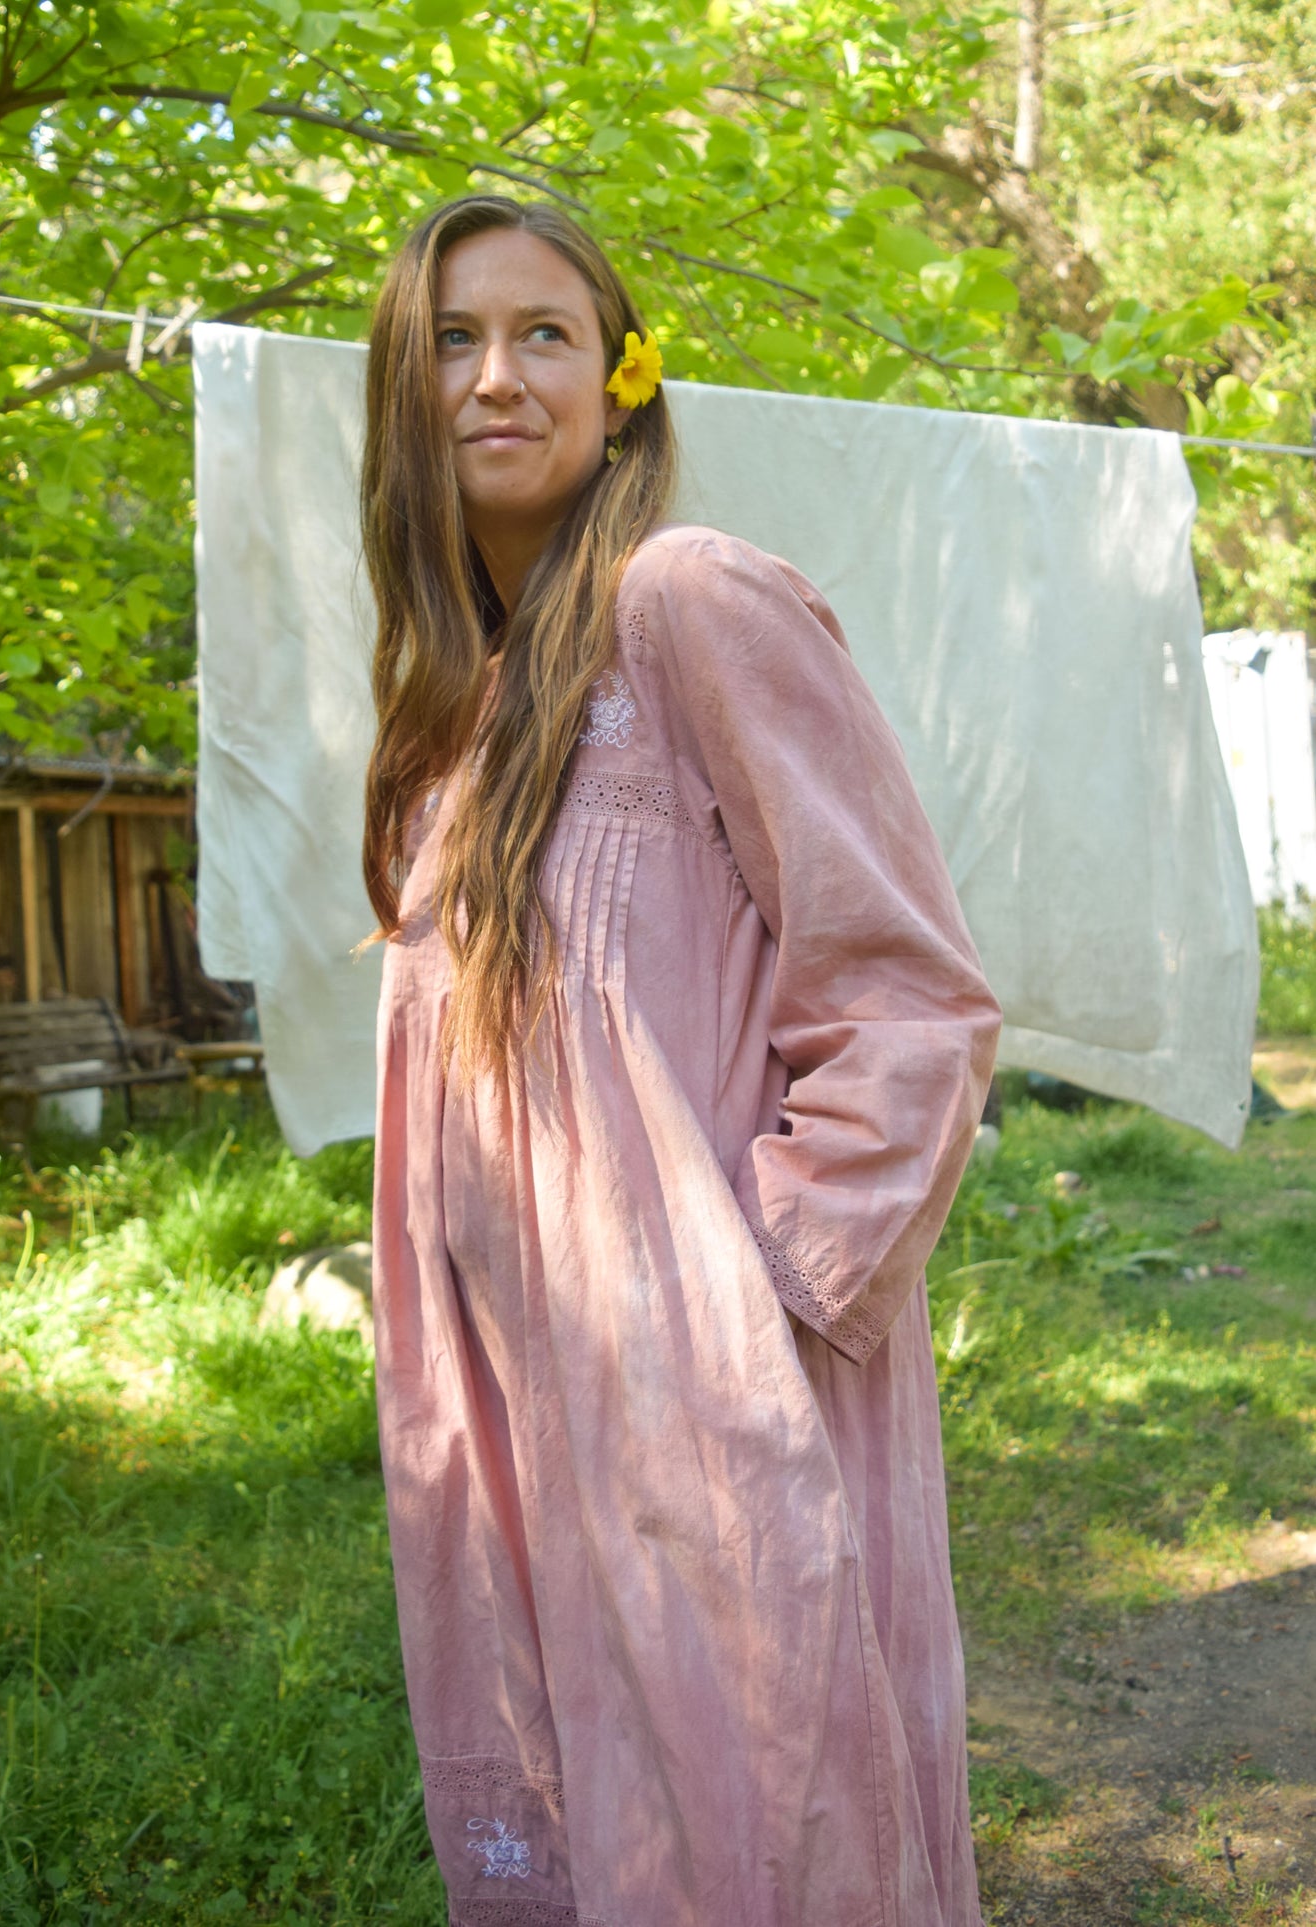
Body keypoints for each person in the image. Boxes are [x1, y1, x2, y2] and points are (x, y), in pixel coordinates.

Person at [361, 192, 1001, 1927]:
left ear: (620, 378)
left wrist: (753, 1307)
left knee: (762, 1825)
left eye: (543, 334)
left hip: (711, 1384)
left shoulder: (688, 604)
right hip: (513, 1388)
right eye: (450, 339)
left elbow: (907, 1001)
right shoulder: (450, 715)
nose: (495, 376)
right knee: (592, 1821)